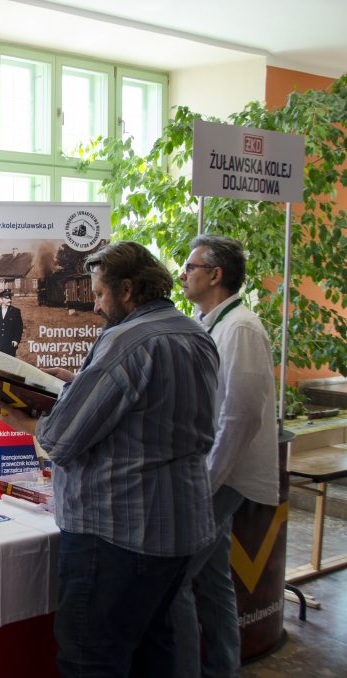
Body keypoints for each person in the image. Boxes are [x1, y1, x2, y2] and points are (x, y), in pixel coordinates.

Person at [0, 241, 219, 678]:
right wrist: (80, 383)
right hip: (181, 525)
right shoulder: (195, 334)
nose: (96, 306)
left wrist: (24, 422)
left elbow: (61, 440)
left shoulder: (124, 342)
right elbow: (153, 415)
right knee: (155, 650)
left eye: (99, 294)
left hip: (117, 533)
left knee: (91, 658)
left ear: (128, 289)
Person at [169, 235, 279, 677]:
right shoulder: (209, 322)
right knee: (213, 583)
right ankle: (221, 669)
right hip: (211, 472)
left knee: (173, 583)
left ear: (215, 275)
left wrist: (206, 483)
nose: (182, 273)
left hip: (221, 477)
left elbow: (240, 416)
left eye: (191, 267)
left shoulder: (242, 329)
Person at [0, 289, 24, 356]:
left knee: (9, 365)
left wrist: (16, 339)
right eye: (6, 298)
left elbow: (19, 328)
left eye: (10, 298)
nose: (9, 300)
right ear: (1, 300)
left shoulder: (15, 311)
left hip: (10, 344)